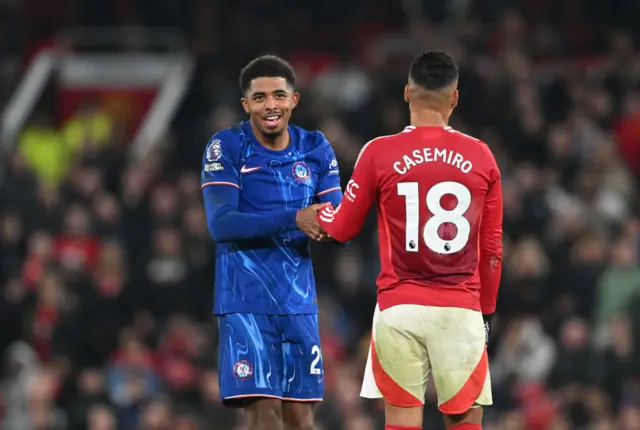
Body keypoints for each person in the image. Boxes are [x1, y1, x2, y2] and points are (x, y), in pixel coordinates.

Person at [312, 51, 503, 430]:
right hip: (460, 306)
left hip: (399, 309)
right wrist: (485, 313)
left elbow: (342, 228)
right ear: (454, 98)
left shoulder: (378, 152)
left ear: (406, 94)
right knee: (465, 422)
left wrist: (314, 213)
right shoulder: (481, 156)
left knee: (401, 422)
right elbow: (492, 252)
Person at [200, 55, 343, 430]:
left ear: (294, 100)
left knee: (301, 416)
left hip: (298, 300)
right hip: (245, 299)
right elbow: (222, 224)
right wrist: (295, 218)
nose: (270, 105)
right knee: (264, 413)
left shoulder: (315, 147)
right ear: (246, 104)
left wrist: (345, 219)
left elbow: (335, 217)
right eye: (260, 97)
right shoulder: (227, 146)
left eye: (279, 95)